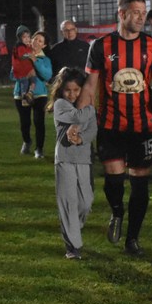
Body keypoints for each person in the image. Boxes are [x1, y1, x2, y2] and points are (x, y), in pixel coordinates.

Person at [78, 0, 152, 256]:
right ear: (121, 13)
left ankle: (132, 239)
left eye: (143, 13)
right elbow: (90, 86)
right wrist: (78, 121)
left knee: (140, 183)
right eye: (136, 12)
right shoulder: (100, 46)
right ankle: (117, 212)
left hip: (142, 126)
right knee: (114, 181)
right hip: (110, 125)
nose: (141, 17)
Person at [48, 67, 97, 259]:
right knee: (68, 202)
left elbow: (92, 130)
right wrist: (91, 106)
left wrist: (81, 138)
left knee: (85, 202)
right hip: (65, 159)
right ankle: (72, 247)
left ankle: (73, 228)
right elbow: (78, 117)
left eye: (77, 90)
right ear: (61, 90)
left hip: (84, 160)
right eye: (68, 90)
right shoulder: (61, 105)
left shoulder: (85, 106)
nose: (72, 94)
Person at [14, 30, 53, 158]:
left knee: (39, 122)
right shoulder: (21, 55)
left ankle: (39, 149)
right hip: (21, 94)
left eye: (40, 41)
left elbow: (47, 76)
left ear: (44, 45)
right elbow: (12, 75)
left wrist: (35, 61)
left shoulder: (45, 59)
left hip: (39, 95)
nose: (36, 42)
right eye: (35, 39)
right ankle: (27, 141)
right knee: (24, 122)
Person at [11, 26, 37, 104]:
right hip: (21, 69)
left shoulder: (26, 46)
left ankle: (30, 93)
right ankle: (24, 98)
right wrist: (30, 55)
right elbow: (22, 56)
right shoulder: (20, 46)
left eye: (28, 37)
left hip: (26, 68)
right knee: (24, 83)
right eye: (24, 37)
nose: (27, 39)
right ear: (20, 38)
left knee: (33, 79)